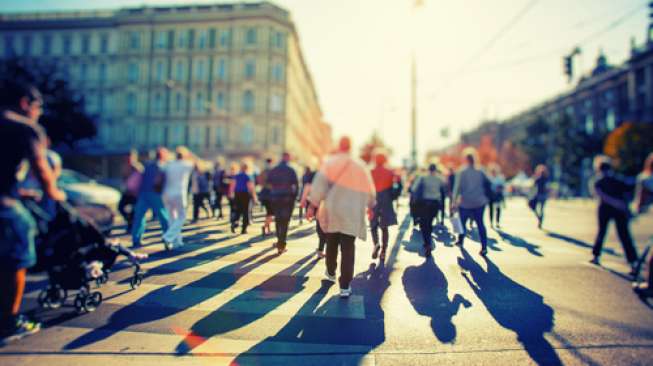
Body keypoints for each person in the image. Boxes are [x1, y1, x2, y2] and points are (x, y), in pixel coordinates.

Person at [0, 81, 66, 343]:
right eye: (38, 107)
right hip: (4, 208)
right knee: (16, 258)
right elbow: (42, 171)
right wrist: (55, 194)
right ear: (26, 103)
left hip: (9, 195)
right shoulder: (25, 128)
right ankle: (9, 321)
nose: (39, 112)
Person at [306, 136, 376, 298]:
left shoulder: (330, 163)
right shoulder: (360, 166)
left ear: (340, 146)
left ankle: (330, 272)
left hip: (333, 209)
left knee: (331, 242)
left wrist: (312, 206)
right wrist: (371, 206)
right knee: (348, 247)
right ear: (351, 147)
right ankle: (345, 286)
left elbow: (318, 187)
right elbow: (370, 190)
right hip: (352, 211)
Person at [590, 156, 639, 277]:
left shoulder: (598, 181)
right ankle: (633, 262)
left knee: (602, 232)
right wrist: (623, 205)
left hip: (605, 209)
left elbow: (600, 195)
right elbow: (628, 191)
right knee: (624, 235)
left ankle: (596, 256)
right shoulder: (617, 179)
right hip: (619, 210)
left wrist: (614, 202)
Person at [451, 148, 490, 256]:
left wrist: (453, 202)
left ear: (465, 159)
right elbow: (487, 184)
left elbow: (457, 188)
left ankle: (460, 241)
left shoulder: (461, 171)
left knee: (462, 222)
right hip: (479, 201)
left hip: (465, 202)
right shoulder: (481, 170)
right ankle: (484, 247)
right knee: (480, 224)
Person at [131, 148, 170, 248]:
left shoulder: (147, 165)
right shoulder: (162, 166)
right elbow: (163, 181)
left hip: (143, 193)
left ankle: (136, 239)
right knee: (163, 217)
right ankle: (167, 239)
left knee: (139, 217)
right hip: (156, 194)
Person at [161, 146, 194, 249]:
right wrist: (191, 155)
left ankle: (177, 242)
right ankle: (168, 237)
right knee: (182, 217)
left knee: (172, 218)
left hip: (167, 194)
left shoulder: (169, 164)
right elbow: (201, 166)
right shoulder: (186, 165)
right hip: (179, 194)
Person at [267, 153, 299, 254]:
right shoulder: (291, 170)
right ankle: (281, 244)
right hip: (287, 198)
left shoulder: (274, 169)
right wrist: (294, 197)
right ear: (288, 158)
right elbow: (296, 185)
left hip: (275, 197)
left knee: (278, 219)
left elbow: (269, 182)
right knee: (285, 221)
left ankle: (279, 241)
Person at [369, 152, 398, 260]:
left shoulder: (370, 172)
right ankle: (383, 252)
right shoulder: (390, 172)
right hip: (386, 200)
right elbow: (395, 186)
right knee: (384, 227)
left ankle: (376, 243)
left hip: (374, 199)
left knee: (373, 225)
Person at [413, 163, 446, 257]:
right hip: (435, 203)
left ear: (428, 169)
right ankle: (428, 241)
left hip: (424, 203)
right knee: (430, 222)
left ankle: (427, 243)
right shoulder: (440, 179)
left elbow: (414, 188)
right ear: (436, 169)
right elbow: (444, 189)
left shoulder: (423, 178)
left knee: (424, 224)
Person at [299, 166, 325, 258]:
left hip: (317, 203)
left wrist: (303, 200)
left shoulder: (314, 174)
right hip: (326, 204)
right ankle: (321, 248)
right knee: (323, 227)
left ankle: (321, 248)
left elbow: (307, 187)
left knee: (320, 226)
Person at [118, 150, 143, 232]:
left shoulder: (138, 167)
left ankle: (131, 226)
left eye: (130, 157)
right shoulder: (124, 166)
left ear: (134, 157)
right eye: (127, 157)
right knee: (120, 208)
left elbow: (142, 180)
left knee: (134, 210)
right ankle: (129, 221)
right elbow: (123, 179)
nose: (128, 159)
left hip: (135, 194)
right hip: (127, 192)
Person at [229, 162, 257, 234]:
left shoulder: (236, 176)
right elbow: (250, 187)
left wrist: (231, 193)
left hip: (237, 194)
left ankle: (235, 222)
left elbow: (232, 185)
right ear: (247, 168)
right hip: (245, 195)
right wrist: (254, 196)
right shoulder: (248, 176)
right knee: (246, 211)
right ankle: (244, 229)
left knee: (237, 209)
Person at [257, 158, 274, 237]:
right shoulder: (272, 171)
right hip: (270, 194)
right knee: (270, 213)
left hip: (264, 194)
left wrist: (264, 185)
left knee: (269, 213)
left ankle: (268, 229)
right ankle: (265, 227)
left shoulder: (263, 171)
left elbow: (259, 181)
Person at [529, 164, 549, 229]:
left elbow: (533, 187)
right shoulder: (546, 178)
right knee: (542, 209)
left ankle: (539, 218)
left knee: (534, 208)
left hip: (539, 195)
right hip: (544, 195)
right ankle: (540, 220)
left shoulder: (538, 179)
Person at [488, 164, 506, 229]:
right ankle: (491, 222)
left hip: (498, 195)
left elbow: (503, 186)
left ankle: (497, 222)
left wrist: (499, 188)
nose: (493, 172)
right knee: (491, 209)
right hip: (491, 195)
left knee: (498, 209)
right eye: (492, 171)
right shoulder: (489, 177)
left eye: (494, 171)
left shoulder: (500, 178)